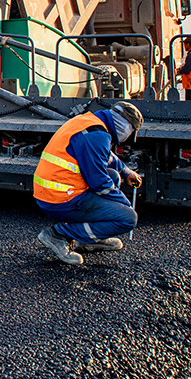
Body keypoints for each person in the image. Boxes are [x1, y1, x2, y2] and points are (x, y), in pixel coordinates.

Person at [33, 101, 145, 266]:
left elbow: (104, 155)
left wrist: (126, 171)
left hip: (52, 190)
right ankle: (57, 234)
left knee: (113, 175)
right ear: (125, 127)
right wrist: (123, 203)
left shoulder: (89, 122)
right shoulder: (97, 136)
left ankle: (89, 240)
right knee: (127, 218)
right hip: (61, 198)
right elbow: (98, 182)